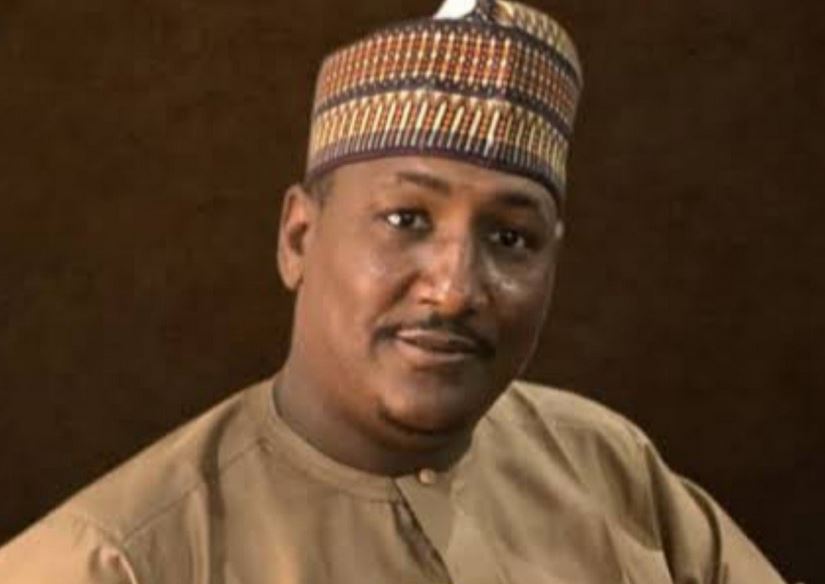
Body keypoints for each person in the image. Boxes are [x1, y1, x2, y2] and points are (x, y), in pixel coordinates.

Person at [0, 0, 789, 582]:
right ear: (298, 237)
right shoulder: (111, 561)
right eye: (406, 219)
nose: (453, 289)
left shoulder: (608, 466)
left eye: (509, 238)